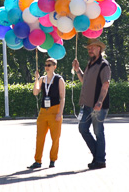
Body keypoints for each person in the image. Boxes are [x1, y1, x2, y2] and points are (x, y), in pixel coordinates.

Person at [72, 38, 110, 170]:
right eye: (88, 48)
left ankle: (100, 160)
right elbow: (85, 81)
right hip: (87, 105)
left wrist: (99, 102)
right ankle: (98, 156)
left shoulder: (104, 65)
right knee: (83, 129)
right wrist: (78, 70)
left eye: (92, 48)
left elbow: (106, 84)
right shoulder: (90, 64)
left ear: (99, 49)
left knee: (98, 132)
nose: (90, 50)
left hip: (97, 106)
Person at [27, 58, 65, 169]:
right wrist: (36, 79)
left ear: (54, 66)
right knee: (39, 137)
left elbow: (62, 97)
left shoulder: (59, 79)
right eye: (46, 65)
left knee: (55, 137)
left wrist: (60, 113)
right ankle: (37, 161)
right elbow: (35, 92)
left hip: (55, 110)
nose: (47, 67)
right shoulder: (42, 79)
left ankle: (53, 159)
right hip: (43, 111)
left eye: (49, 65)